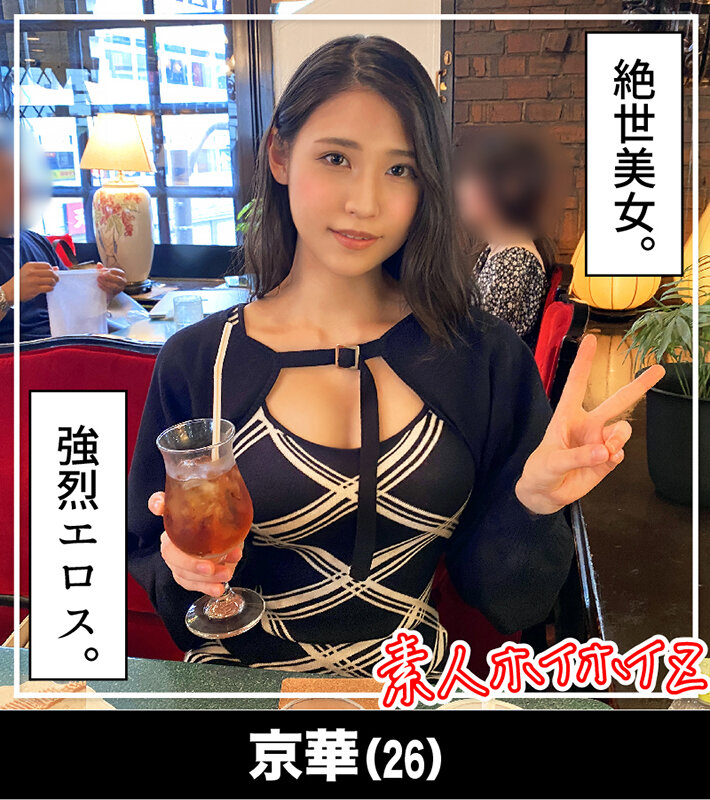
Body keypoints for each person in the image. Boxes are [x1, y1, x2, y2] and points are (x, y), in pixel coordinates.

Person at [127, 35, 663, 677]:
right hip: (239, 694)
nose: (365, 203)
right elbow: (156, 572)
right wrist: (180, 568)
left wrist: (533, 504)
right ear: (280, 154)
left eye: (400, 169)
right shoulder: (197, 362)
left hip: (405, 686)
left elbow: (510, 602)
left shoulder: (480, 355)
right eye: (336, 158)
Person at [0, 124, 127, 343]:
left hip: (66, 350)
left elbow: (73, 313)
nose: (22, 185)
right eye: (6, 176)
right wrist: (7, 295)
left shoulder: (37, 243)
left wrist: (101, 292)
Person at [453, 124, 564, 350]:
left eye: (470, 177)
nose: (461, 187)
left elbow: (479, 349)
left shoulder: (514, 261)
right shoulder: (501, 249)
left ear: (506, 189)